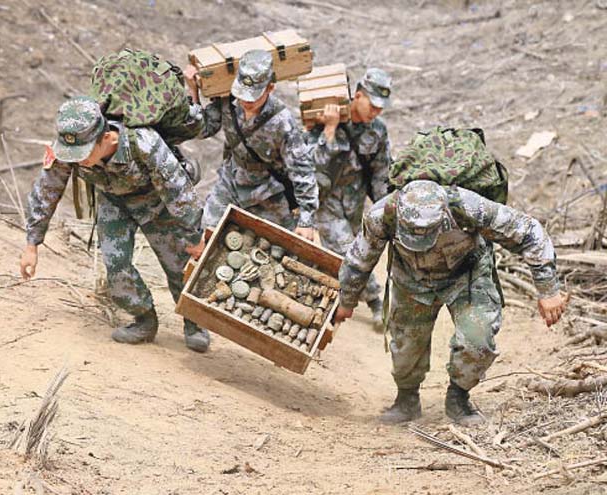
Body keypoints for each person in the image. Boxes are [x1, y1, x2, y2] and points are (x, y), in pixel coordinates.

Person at [335, 180, 567, 425]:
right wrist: (346, 301)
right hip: (412, 279)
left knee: (478, 339)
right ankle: (406, 399)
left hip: (466, 274)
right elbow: (358, 261)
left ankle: (458, 397)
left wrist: (548, 290)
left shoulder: (470, 207)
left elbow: (530, 232)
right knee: (406, 346)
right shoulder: (381, 216)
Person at [20, 96, 210, 352]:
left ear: (107, 138)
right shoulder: (68, 149)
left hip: (156, 203)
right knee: (115, 264)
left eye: (84, 153)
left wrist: (195, 236)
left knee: (177, 264)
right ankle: (143, 318)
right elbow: (47, 189)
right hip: (113, 202)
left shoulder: (143, 143)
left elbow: (178, 190)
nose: (78, 160)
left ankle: (195, 322)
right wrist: (32, 242)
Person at [184, 49, 318, 243]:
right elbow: (200, 130)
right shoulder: (228, 102)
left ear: (270, 88)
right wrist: (193, 92)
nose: (246, 101)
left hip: (268, 194)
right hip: (231, 182)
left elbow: (302, 170)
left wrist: (306, 220)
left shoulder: (282, 121)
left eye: (253, 96)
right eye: (242, 93)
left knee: (274, 250)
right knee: (205, 237)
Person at [306, 68, 393, 331]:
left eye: (381, 107)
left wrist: (386, 209)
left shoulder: (377, 131)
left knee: (360, 249)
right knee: (348, 251)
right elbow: (312, 165)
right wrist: (329, 130)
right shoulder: (322, 119)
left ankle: (365, 298)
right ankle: (375, 301)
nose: (376, 112)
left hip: (354, 203)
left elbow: (381, 172)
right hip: (326, 202)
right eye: (373, 105)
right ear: (357, 96)